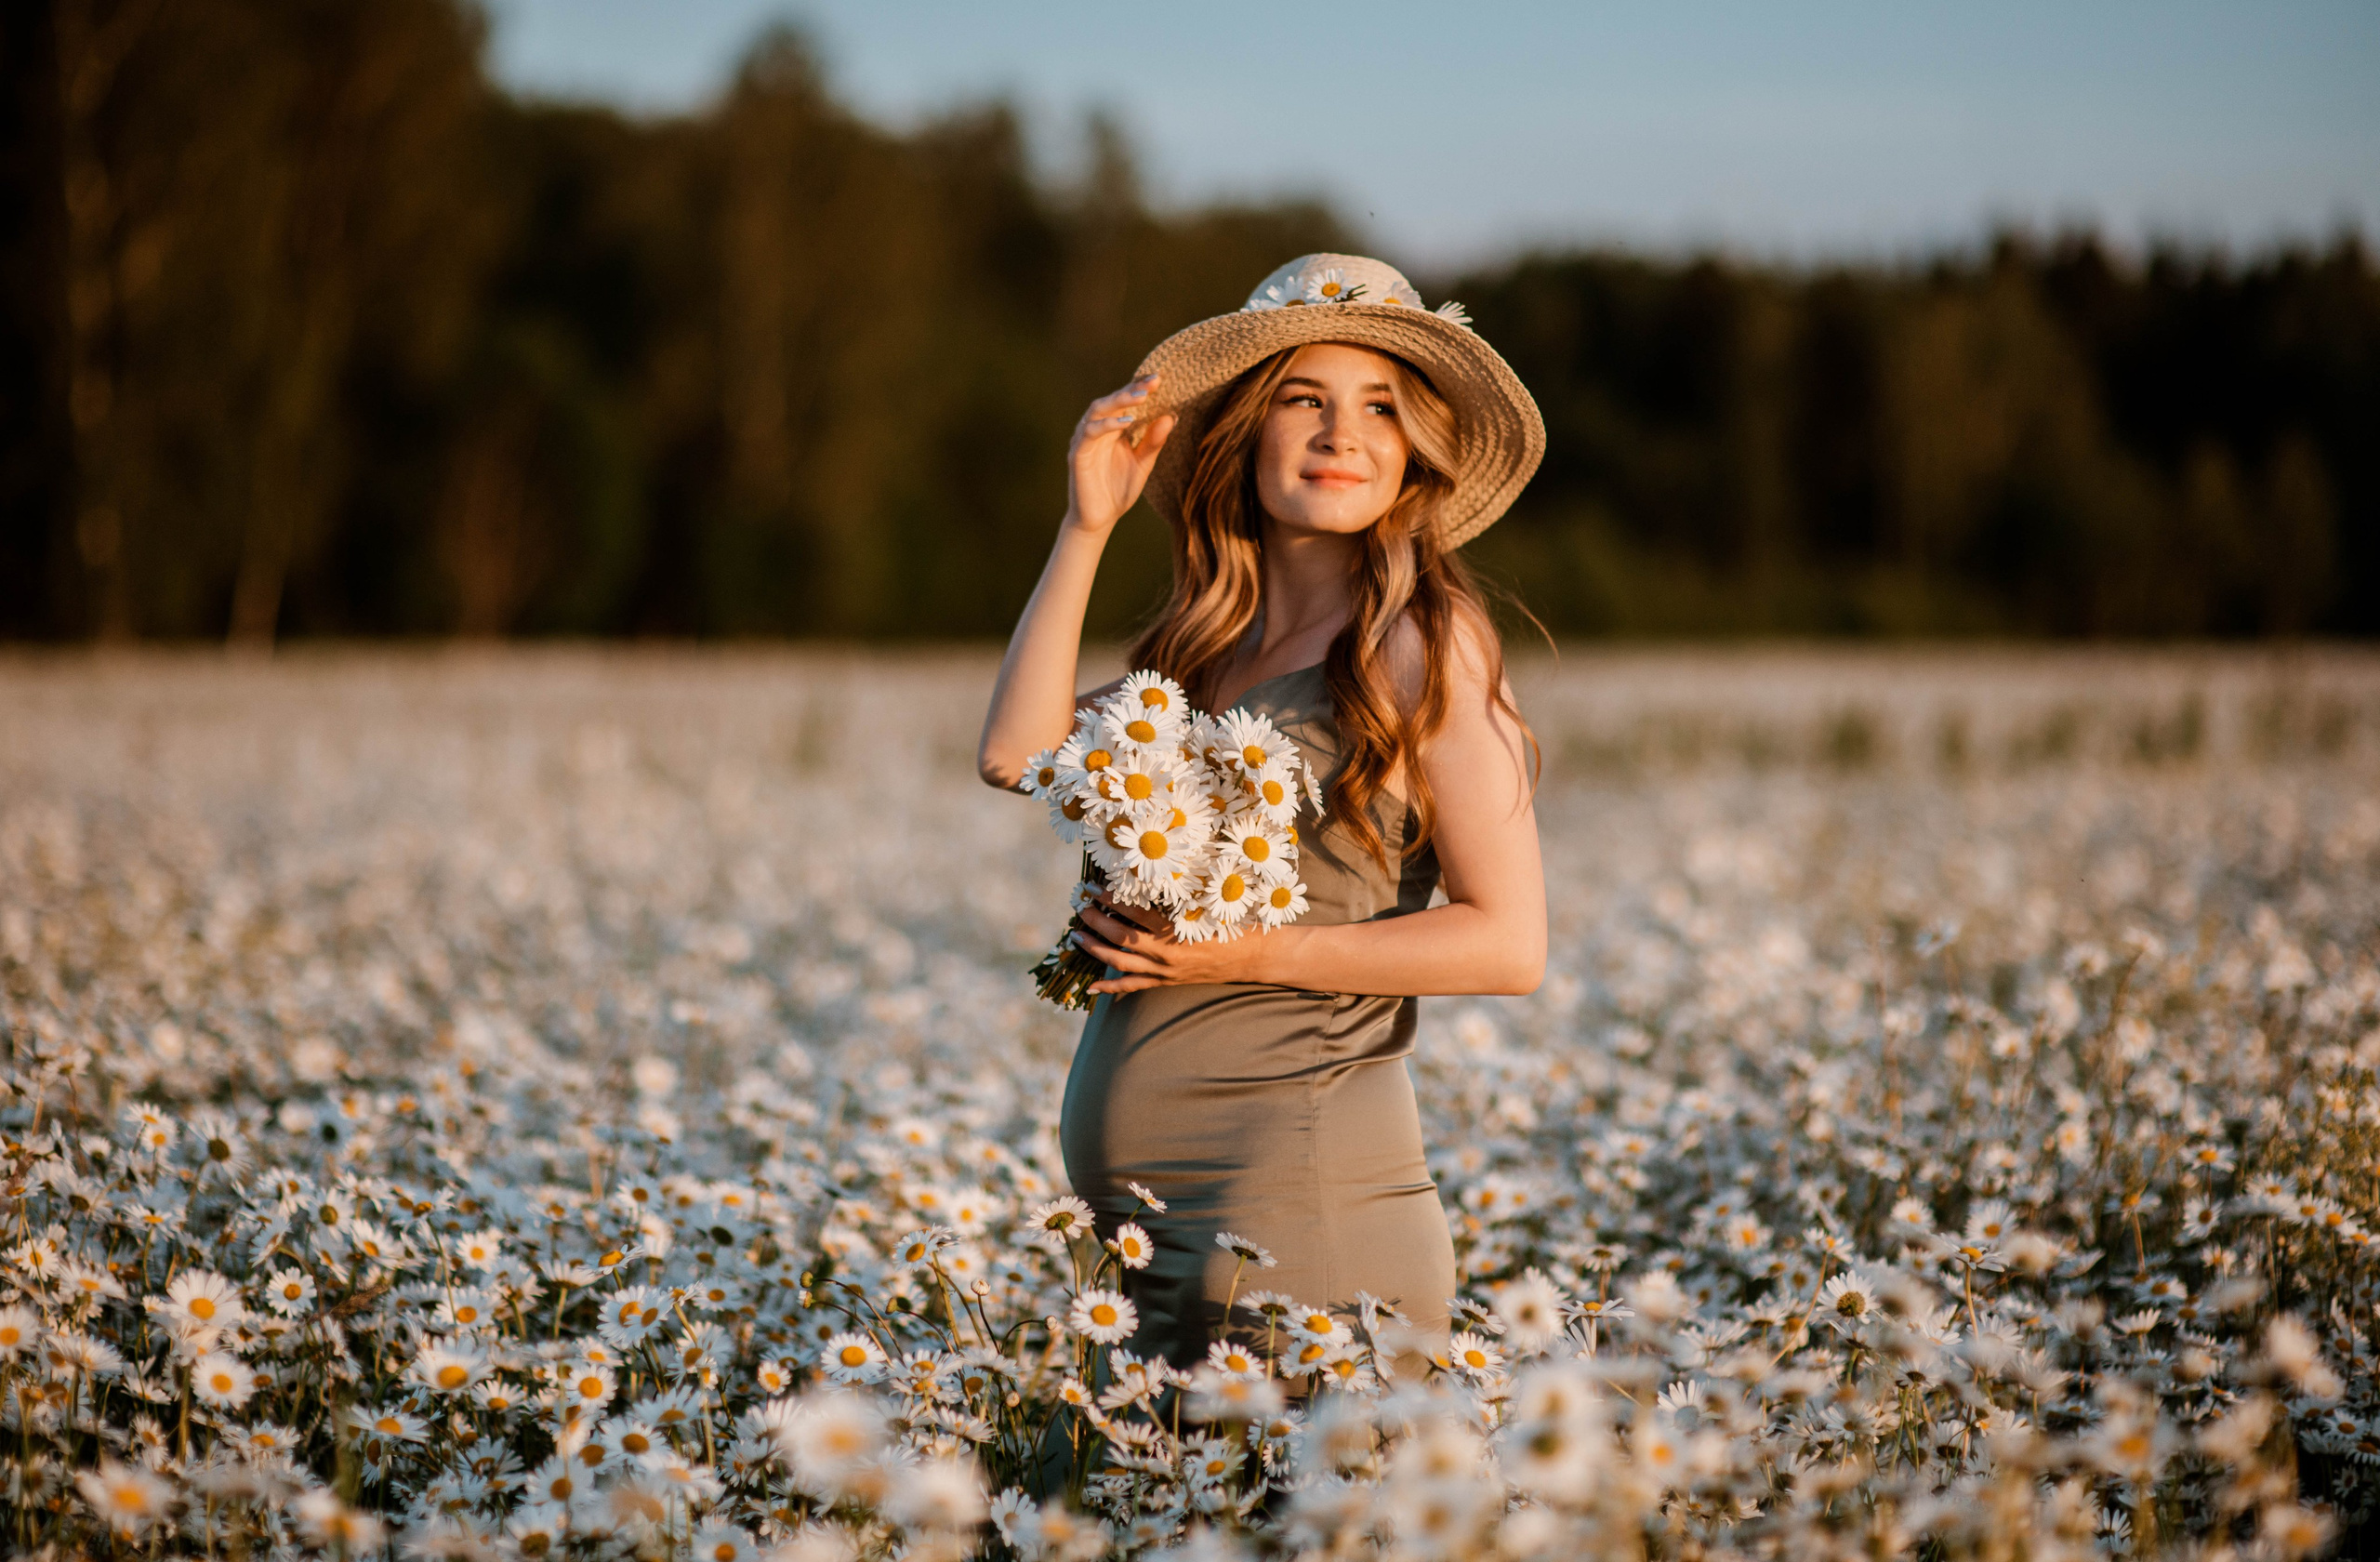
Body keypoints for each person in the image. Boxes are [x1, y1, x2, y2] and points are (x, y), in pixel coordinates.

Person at [976, 254, 1548, 1375]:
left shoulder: (1420, 644)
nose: (1343, 434)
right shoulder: (1203, 660)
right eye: (1304, 399)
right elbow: (1016, 755)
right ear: (1246, 433)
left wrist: (1247, 952)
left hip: (1304, 1210)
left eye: (1381, 406)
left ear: (1414, 450)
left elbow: (1508, 941)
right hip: (1142, 1234)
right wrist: (1086, 527)